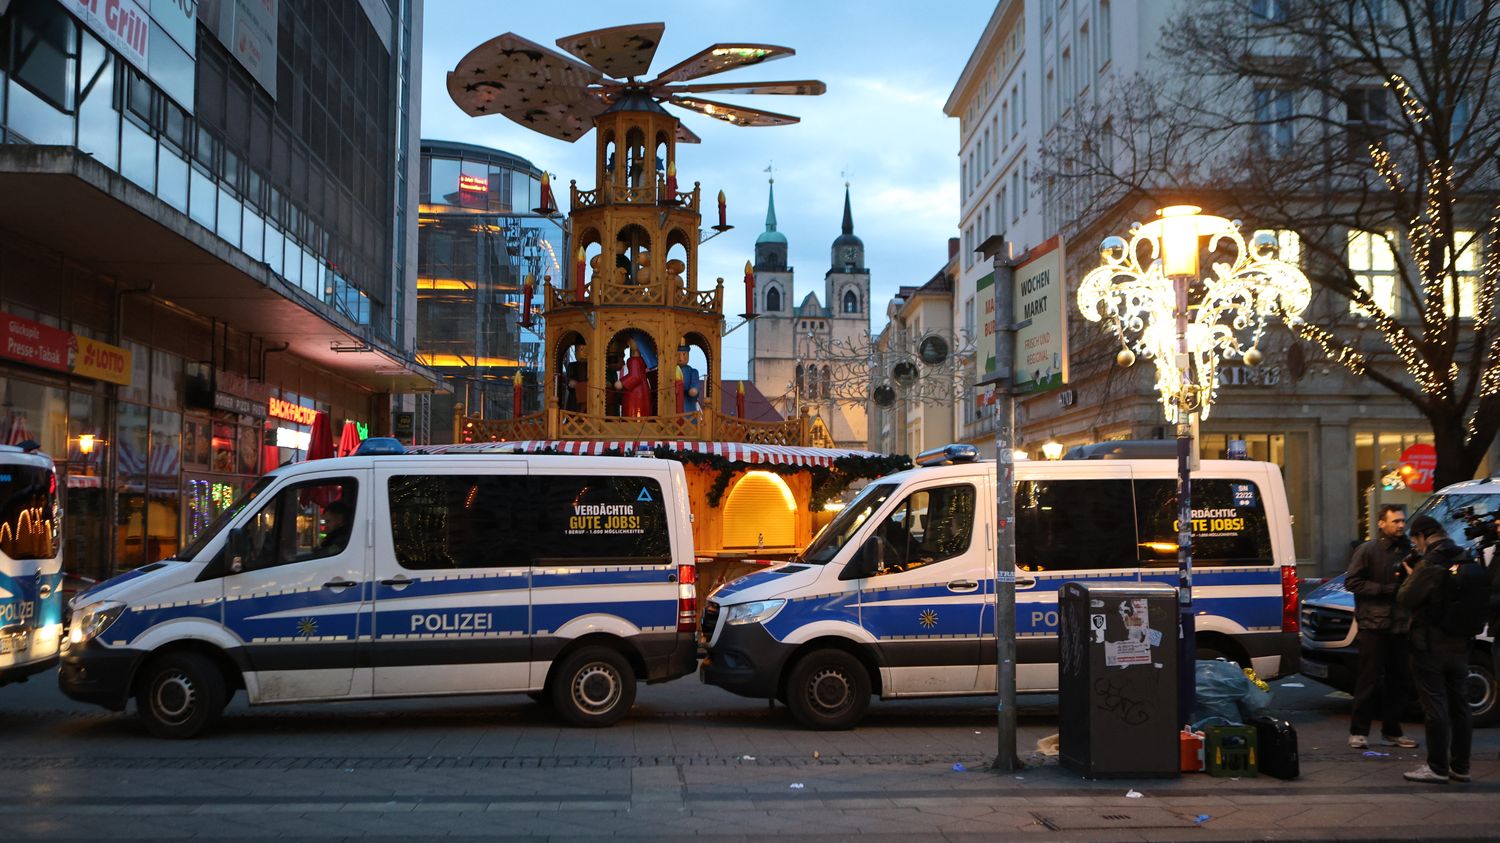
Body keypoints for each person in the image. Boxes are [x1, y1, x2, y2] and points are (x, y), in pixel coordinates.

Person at [1397, 514, 1477, 783]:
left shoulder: (1430, 562)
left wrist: (1411, 575)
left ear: (1422, 536)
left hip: (1430, 645)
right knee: (1461, 706)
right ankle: (1461, 766)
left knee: (1435, 706)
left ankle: (1437, 767)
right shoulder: (1465, 556)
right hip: (1461, 644)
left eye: (1416, 541)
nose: (1416, 546)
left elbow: (1406, 597)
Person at [1345, 504, 1418, 749]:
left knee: (1400, 680)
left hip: (1400, 625)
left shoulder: (1409, 550)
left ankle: (1392, 730)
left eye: (1402, 521)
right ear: (1381, 523)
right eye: (1395, 521)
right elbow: (1352, 582)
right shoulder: (1368, 550)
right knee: (1369, 679)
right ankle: (1359, 731)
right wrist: (1384, 590)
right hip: (1373, 624)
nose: (1400, 525)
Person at [676, 344, 701, 413]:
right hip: (673, 400)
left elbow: (695, 383)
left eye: (684, 354)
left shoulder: (693, 371)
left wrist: (694, 389)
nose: (681, 357)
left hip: (687, 402)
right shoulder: (671, 370)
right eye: (677, 354)